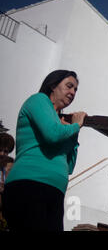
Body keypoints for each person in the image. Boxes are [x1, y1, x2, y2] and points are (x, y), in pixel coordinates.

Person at [2, 70, 87, 231]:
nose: (73, 92)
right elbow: (52, 135)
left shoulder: (59, 122)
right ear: (53, 85)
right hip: (30, 186)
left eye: (75, 90)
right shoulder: (39, 100)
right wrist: (76, 126)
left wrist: (73, 134)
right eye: (69, 86)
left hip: (54, 192)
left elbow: (69, 166)